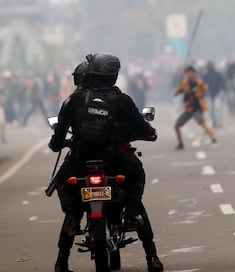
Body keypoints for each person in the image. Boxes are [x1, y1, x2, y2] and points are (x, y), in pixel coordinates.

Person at [49, 53, 163, 272]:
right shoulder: (121, 100)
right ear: (113, 74)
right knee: (137, 176)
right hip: (115, 158)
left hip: (81, 158)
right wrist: (150, 133)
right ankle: (150, 255)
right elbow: (142, 127)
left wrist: (57, 144)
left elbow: (58, 135)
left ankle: (62, 258)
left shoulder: (73, 100)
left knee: (64, 183)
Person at [174, 66, 216, 150]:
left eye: (191, 73)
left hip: (197, 107)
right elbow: (176, 93)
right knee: (177, 126)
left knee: (202, 123)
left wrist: (199, 95)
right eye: (188, 73)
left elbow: (204, 91)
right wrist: (178, 89)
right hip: (188, 108)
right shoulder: (184, 83)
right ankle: (180, 143)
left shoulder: (199, 83)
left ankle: (213, 138)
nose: (190, 75)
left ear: (194, 73)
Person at [202, 61, 226, 128]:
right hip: (209, 94)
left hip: (216, 93)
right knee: (212, 110)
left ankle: (217, 122)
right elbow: (203, 85)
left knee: (217, 108)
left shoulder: (217, 74)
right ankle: (215, 122)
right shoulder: (205, 75)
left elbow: (222, 83)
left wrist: (223, 90)